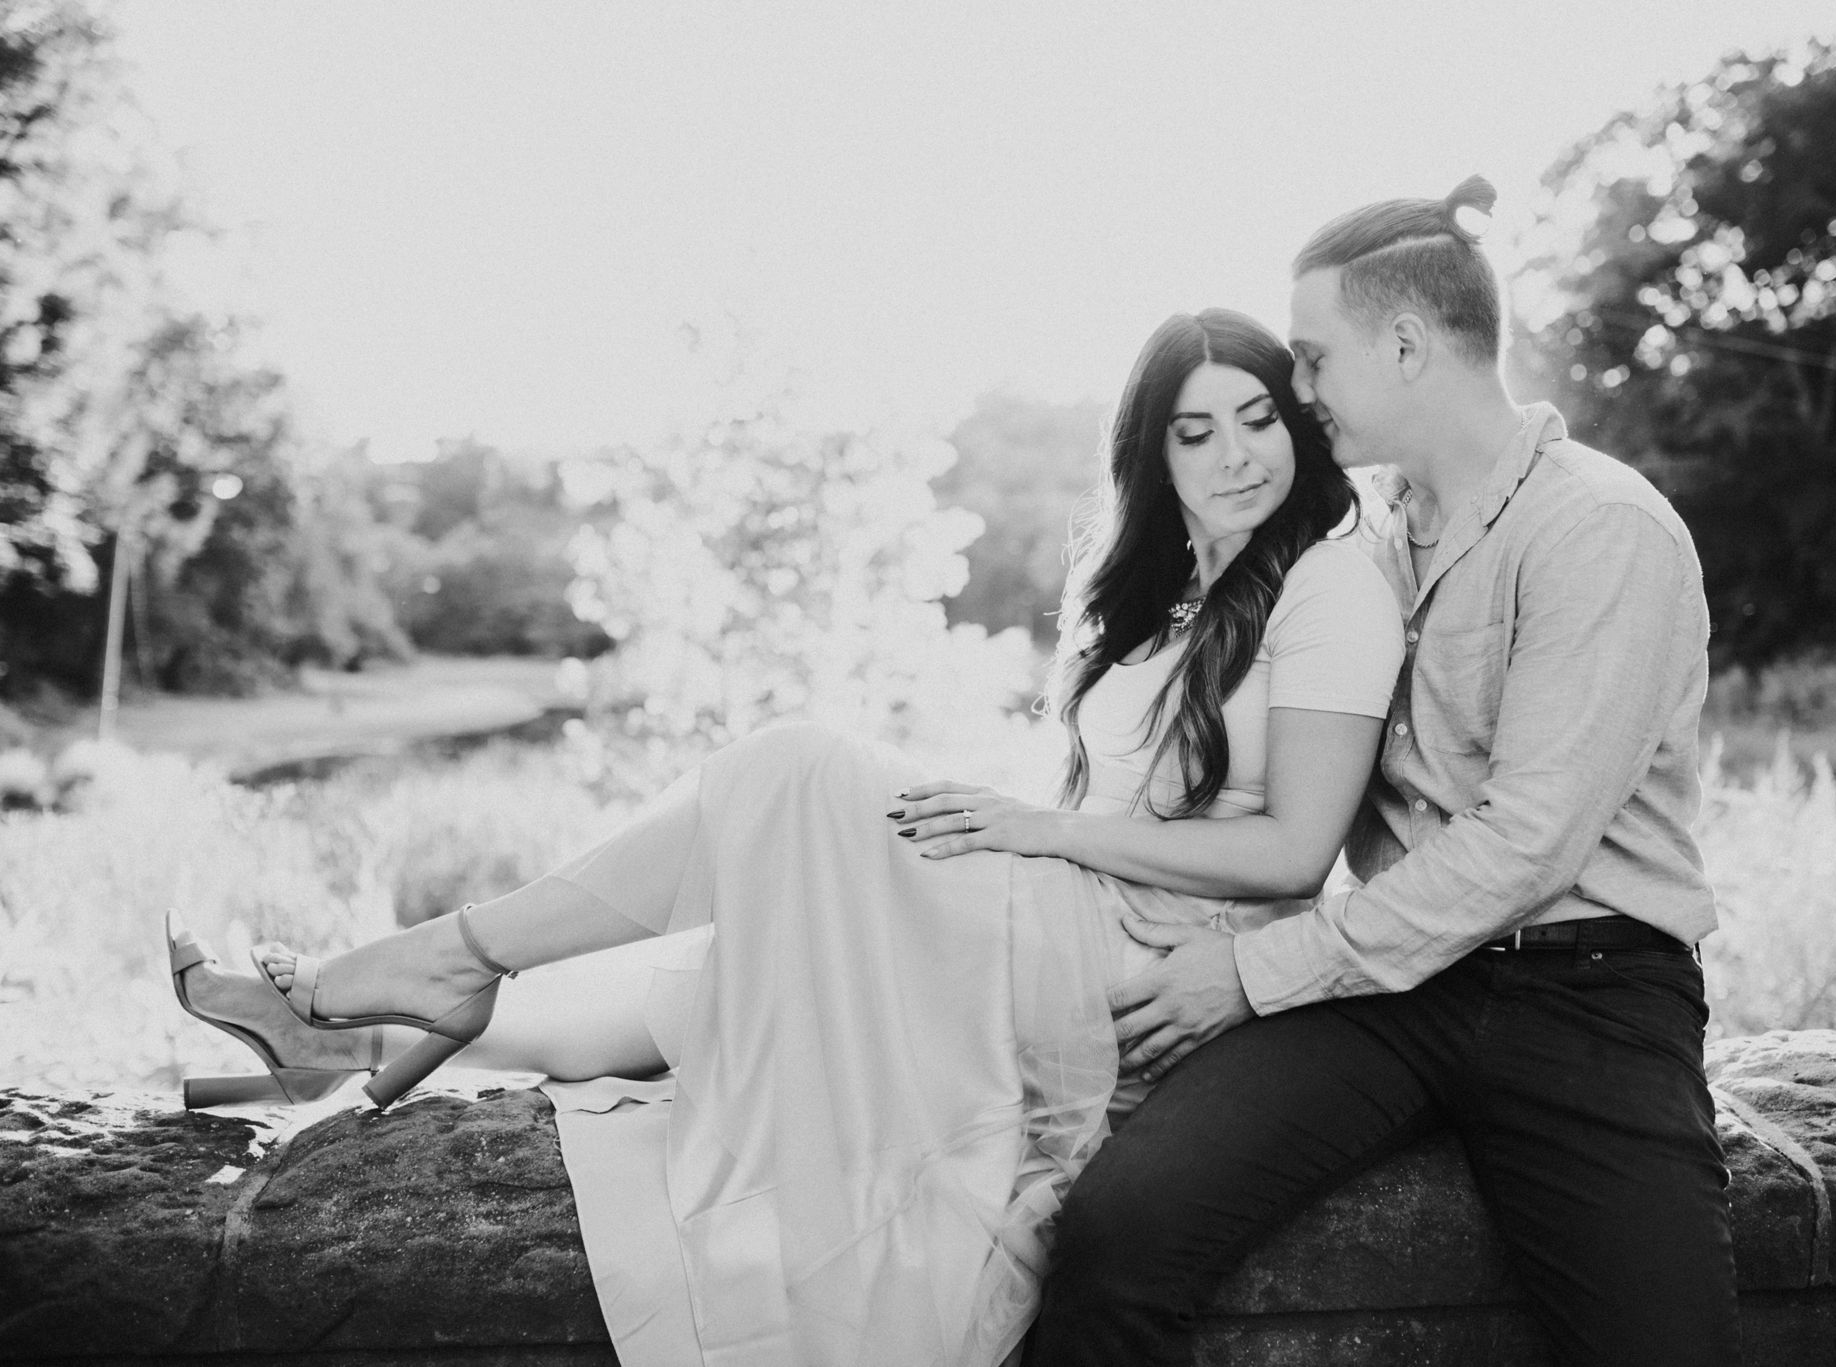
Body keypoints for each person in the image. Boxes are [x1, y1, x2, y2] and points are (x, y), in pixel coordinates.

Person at [165, 307, 1407, 1367]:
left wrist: (1035, 829)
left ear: (1297, 424)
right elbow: (1124, 798)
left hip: (1152, 960)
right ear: (1156, 455)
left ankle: (425, 969)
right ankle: (343, 1032)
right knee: (750, 952)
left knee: (794, 771)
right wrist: (1018, 829)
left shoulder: (1327, 578)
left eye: (1256, 418)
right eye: (1195, 431)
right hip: (1078, 898)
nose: (1235, 454)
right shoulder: (1172, 592)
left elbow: (1293, 854)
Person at [1025, 178, 1743, 1366]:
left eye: (1309, 362)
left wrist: (1250, 972)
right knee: (1117, 1230)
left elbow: (1523, 844)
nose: (1294, 395)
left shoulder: (1598, 530)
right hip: (1397, 988)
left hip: (1589, 996)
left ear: (1404, 343)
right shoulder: (1357, 538)